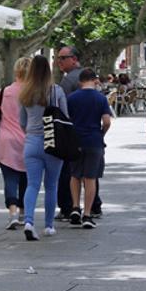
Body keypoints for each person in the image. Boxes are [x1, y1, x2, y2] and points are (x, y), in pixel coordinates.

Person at [18, 55, 68, 240]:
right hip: (53, 142)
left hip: (31, 142)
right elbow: (65, 117)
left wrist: (32, 132)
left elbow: (21, 122)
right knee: (51, 185)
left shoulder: (25, 93)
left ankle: (29, 221)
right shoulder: (56, 91)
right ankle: (48, 225)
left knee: (32, 184)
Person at [0, 57, 29, 230]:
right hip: (29, 140)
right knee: (27, 178)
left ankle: (12, 212)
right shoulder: (35, 93)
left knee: (10, 178)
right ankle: (25, 212)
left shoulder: (5, 92)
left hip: (6, 140)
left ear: (16, 71)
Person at [66, 68, 111, 229]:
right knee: (90, 178)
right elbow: (106, 121)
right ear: (95, 80)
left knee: (75, 175)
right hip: (94, 141)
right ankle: (87, 214)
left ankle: (75, 207)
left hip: (75, 141)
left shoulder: (71, 98)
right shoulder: (100, 98)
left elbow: (67, 119)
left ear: (80, 82)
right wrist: (101, 134)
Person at [54, 45, 85, 221]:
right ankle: (93, 205)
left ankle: (67, 206)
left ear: (74, 59)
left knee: (66, 171)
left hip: (71, 132)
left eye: (63, 58)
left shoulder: (67, 81)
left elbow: (62, 110)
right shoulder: (87, 77)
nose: (59, 62)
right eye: (58, 58)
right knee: (88, 171)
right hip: (88, 131)